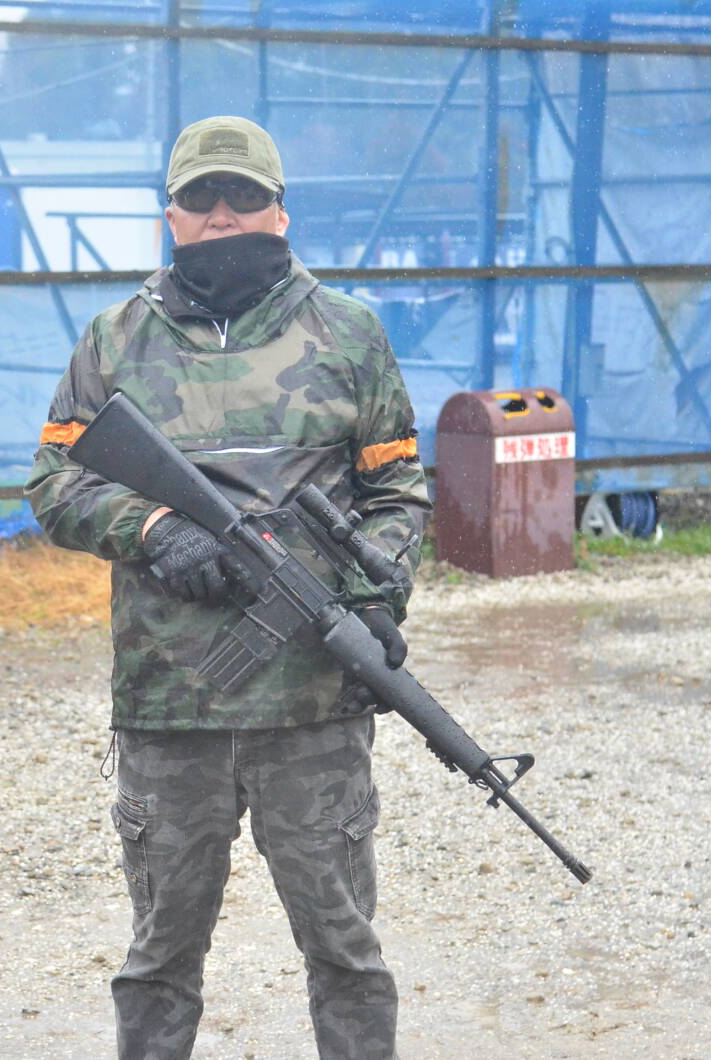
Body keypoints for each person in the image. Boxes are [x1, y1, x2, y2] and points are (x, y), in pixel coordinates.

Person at [26, 116, 431, 1059]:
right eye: (201, 197)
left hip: (314, 708)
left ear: (280, 211)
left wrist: (380, 594)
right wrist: (155, 529)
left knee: (346, 954)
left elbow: (397, 492)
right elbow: (53, 484)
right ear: (169, 215)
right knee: (160, 961)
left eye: (243, 196)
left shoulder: (348, 334)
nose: (222, 215)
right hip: (169, 710)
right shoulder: (115, 338)